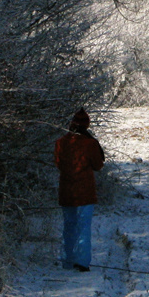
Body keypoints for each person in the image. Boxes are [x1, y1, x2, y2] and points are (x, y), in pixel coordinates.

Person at [54, 109, 104, 272]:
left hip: (66, 191)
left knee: (69, 227)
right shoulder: (90, 143)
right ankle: (82, 262)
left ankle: (67, 260)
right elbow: (98, 165)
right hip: (85, 192)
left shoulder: (61, 142)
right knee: (83, 227)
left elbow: (58, 164)